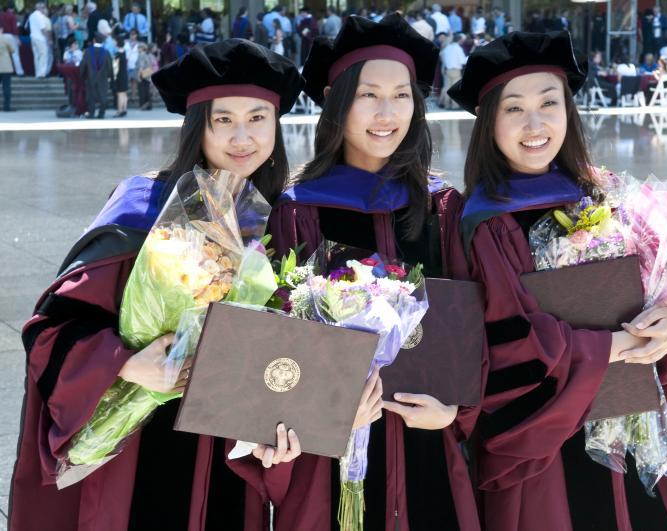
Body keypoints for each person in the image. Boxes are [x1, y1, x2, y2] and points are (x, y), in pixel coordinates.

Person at [10, 39, 304, 530]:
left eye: (257, 118)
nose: (242, 136)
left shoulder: (286, 216)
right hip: (142, 445)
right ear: (198, 125)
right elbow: (53, 330)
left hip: (229, 452)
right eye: (223, 120)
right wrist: (126, 365)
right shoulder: (142, 207)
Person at [447, 29, 667, 531]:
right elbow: (499, 349)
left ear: (569, 112)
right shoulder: (484, 223)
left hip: (633, 417)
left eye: (550, 103)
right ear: (489, 123)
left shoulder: (608, 195)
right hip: (548, 439)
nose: (535, 123)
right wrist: (608, 347)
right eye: (513, 109)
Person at [234, 14, 481, 531]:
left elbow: (476, 333)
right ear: (335, 99)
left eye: (402, 95)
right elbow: (270, 346)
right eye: (369, 94)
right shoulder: (296, 211)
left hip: (428, 447)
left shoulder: (443, 208)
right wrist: (321, 405)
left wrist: (455, 413)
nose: (387, 113)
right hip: (326, 460)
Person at [79, 33, 112, 118]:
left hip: (91, 77)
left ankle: (92, 113)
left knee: (91, 96)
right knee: (103, 95)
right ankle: (101, 114)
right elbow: (109, 66)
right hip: (103, 78)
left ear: (94, 40)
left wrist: (82, 75)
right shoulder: (106, 52)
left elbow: (83, 64)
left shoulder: (88, 51)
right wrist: (109, 76)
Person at [439, 32, 467, 109]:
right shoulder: (458, 49)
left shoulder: (447, 48)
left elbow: (442, 57)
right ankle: (455, 105)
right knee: (455, 88)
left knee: (447, 87)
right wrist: (468, 58)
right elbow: (462, 61)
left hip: (447, 70)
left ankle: (446, 104)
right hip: (456, 71)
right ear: (460, 40)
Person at [28, 2, 51, 78]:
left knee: (36, 56)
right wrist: (48, 39)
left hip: (33, 37)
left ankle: (37, 72)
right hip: (40, 38)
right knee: (43, 55)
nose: (44, 9)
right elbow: (43, 29)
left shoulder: (31, 15)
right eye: (43, 8)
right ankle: (42, 73)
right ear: (40, 8)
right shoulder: (40, 16)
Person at [112, 34, 128, 117]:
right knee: (124, 93)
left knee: (120, 94)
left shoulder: (117, 54)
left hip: (120, 75)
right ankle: (124, 109)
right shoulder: (124, 52)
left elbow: (115, 67)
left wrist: (113, 77)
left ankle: (119, 110)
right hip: (125, 74)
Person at [0, 24, 14, 111]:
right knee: (6, 88)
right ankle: (6, 107)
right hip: (6, 67)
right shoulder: (5, 39)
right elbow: (13, 50)